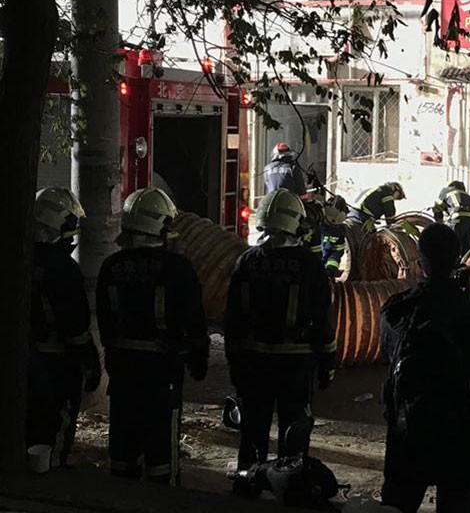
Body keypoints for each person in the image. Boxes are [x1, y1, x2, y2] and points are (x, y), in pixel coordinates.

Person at [379, 224, 470, 513]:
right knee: (457, 499)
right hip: (460, 425)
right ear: (457, 260)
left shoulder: (396, 309)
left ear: (419, 262)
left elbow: (388, 353)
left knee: (398, 501)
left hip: (410, 424)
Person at [224, 188, 336, 497]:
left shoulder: (246, 261)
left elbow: (232, 317)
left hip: (253, 360)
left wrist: (234, 361)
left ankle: (246, 485)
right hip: (295, 363)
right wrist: (327, 361)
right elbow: (321, 318)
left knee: (252, 428)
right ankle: (291, 487)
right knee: (294, 429)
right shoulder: (310, 265)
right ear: (296, 224)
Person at [96, 187, 209, 485]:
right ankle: (162, 497)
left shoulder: (111, 267)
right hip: (162, 370)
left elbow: (104, 321)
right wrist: (199, 356)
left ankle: (119, 495)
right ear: (162, 226)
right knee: (161, 452)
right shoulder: (178, 268)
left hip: (122, 370)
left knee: (123, 446)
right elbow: (194, 319)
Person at [28, 187, 101, 467]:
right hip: (56, 366)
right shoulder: (63, 269)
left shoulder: (17, 260)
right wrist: (90, 363)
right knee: (52, 437)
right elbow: (76, 327)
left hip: (23, 362)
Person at [432, 180, 470, 254]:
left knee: (450, 247)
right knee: (465, 251)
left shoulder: (445, 191)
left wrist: (439, 222)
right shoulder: (466, 195)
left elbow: (437, 208)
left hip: (458, 221)